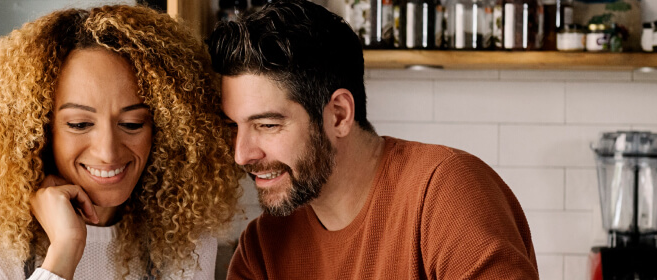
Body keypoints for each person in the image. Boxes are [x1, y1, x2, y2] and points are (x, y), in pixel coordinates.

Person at [206, 1, 539, 279]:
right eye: (233, 126)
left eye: (266, 125)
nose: (242, 154)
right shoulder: (263, 246)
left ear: (338, 114)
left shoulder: (445, 191)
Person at [0, 5, 241, 280]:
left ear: (165, 130)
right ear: (38, 131)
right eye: (79, 124)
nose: (107, 152)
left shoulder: (184, 235)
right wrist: (65, 250)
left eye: (132, 124)